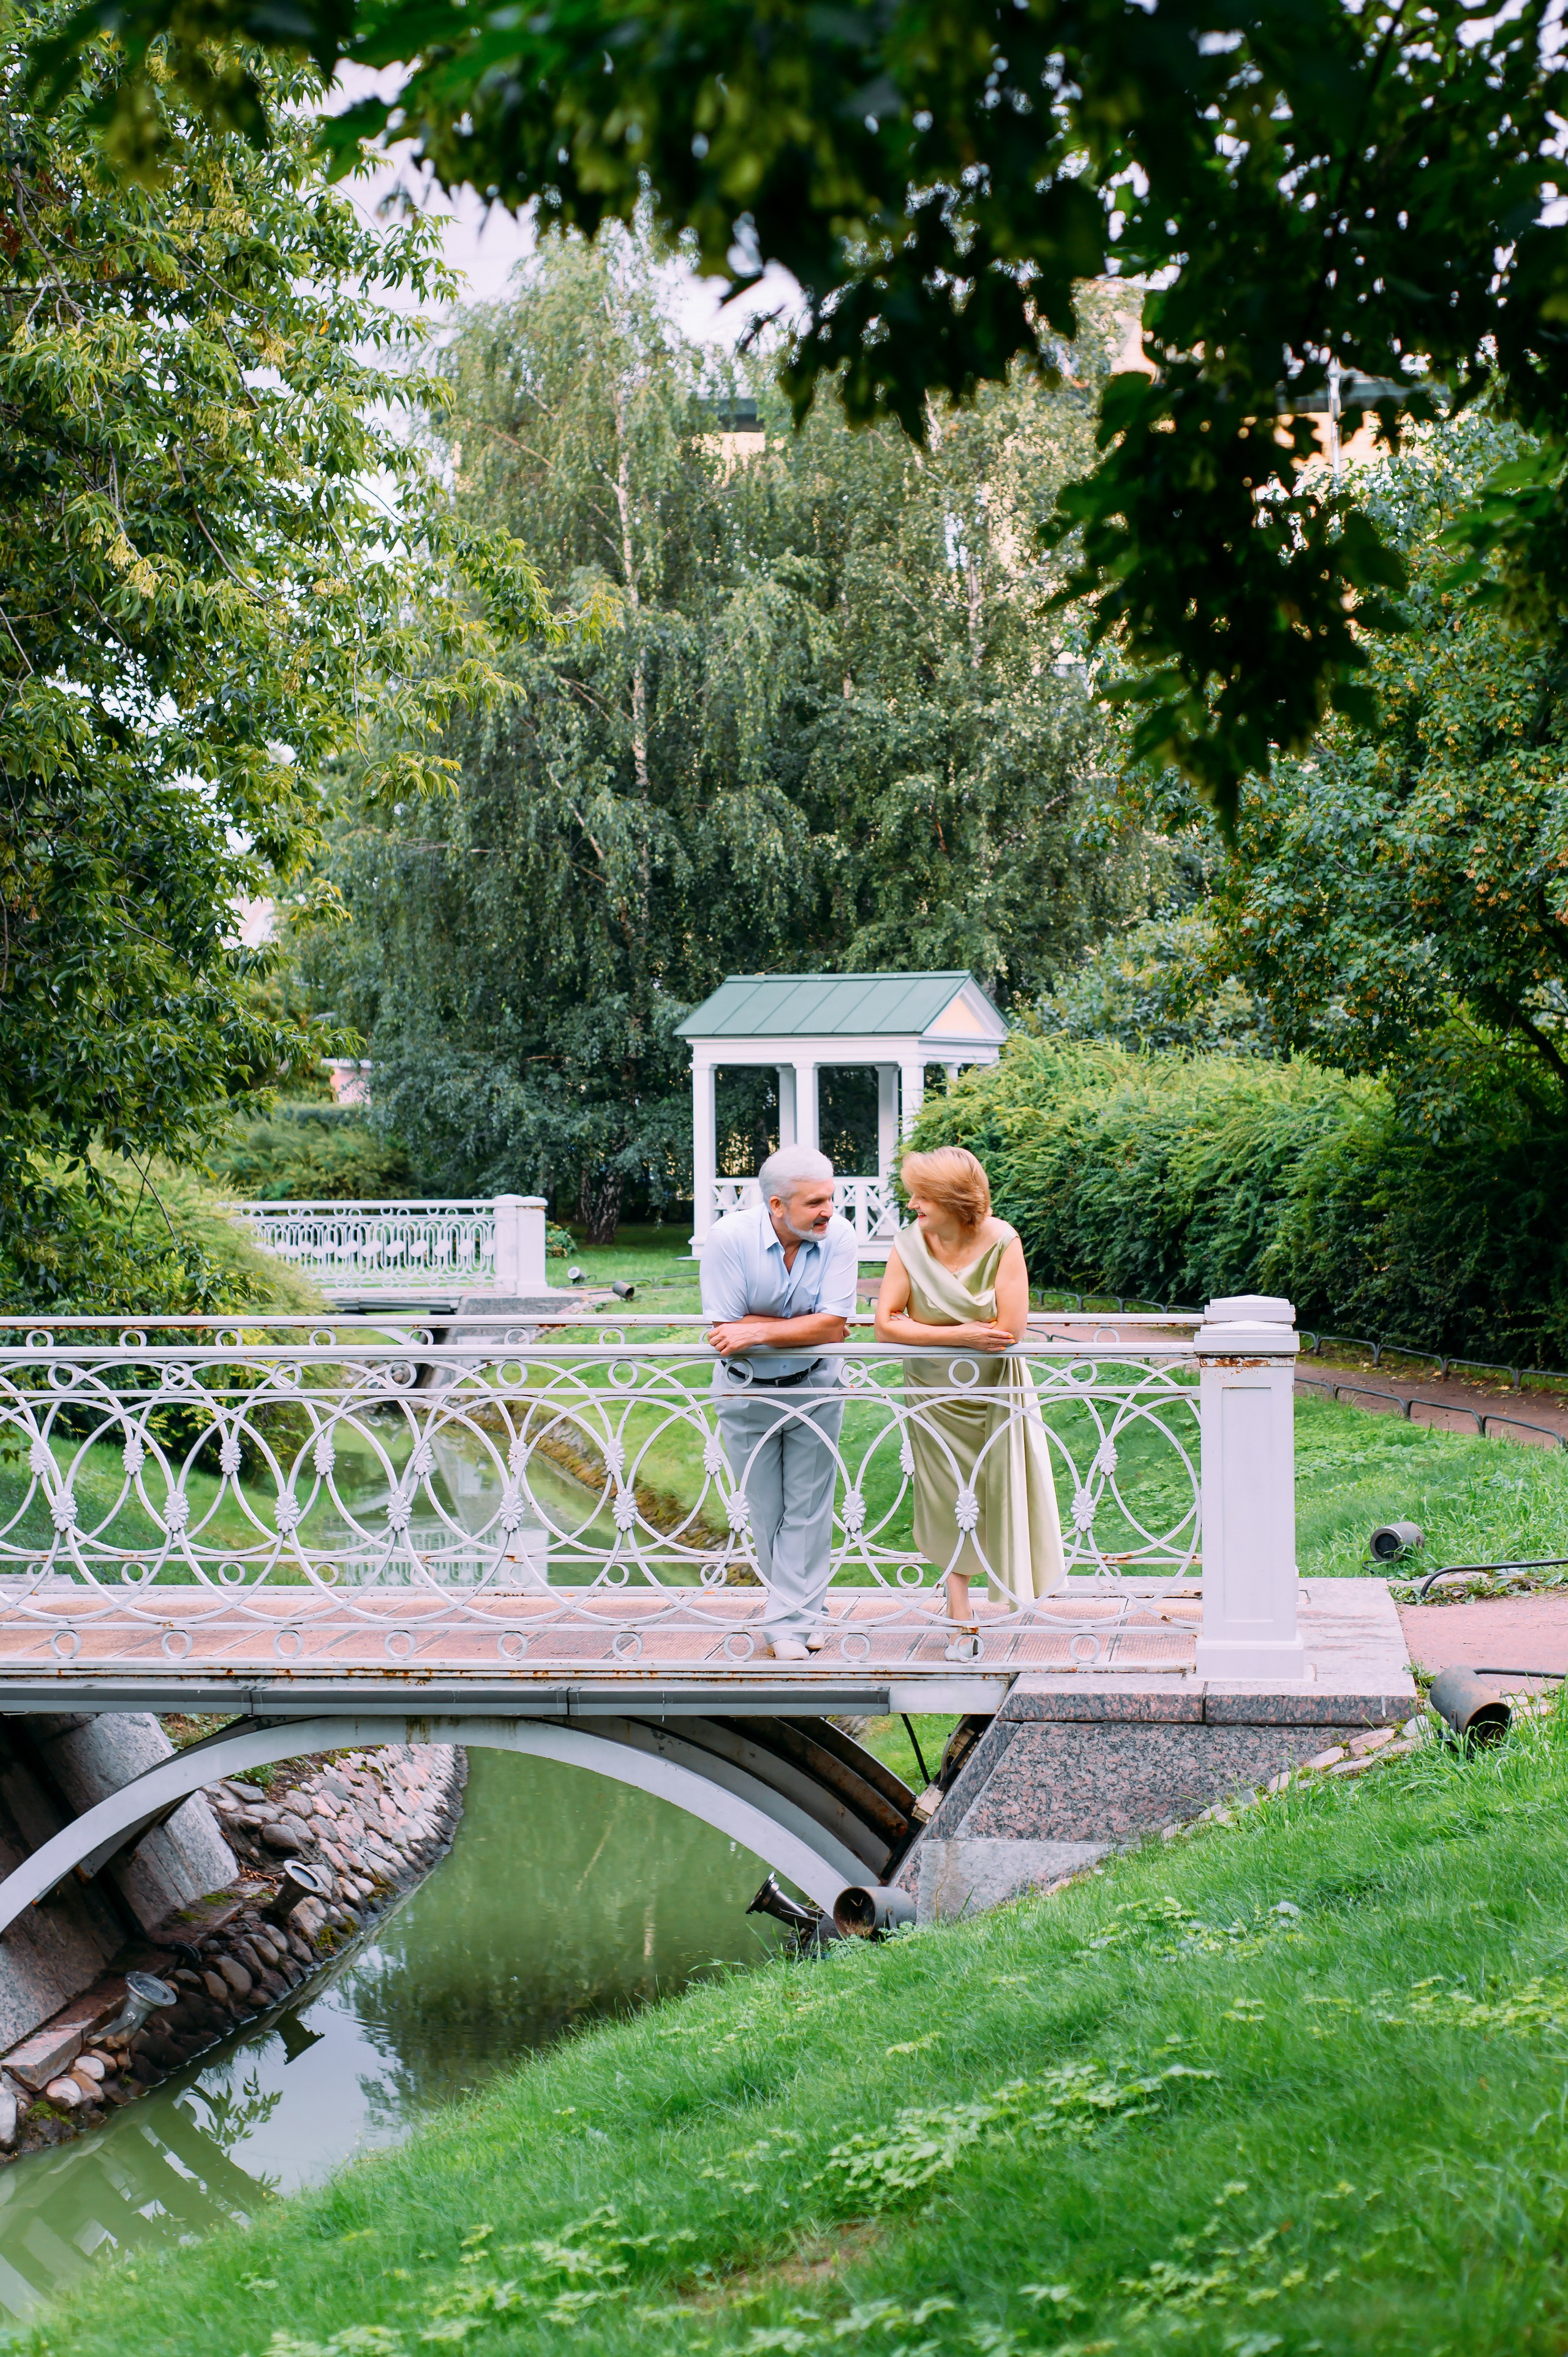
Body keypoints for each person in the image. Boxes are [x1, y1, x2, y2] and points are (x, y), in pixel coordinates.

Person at [874, 1145, 1065, 1622]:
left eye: (923, 1197)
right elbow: (884, 1324)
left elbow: (1010, 1330)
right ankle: (959, 1608)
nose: (913, 1205)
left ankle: (1010, 1583)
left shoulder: (1003, 1240)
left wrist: (928, 1328)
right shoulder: (908, 1243)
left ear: (955, 1201)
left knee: (997, 1485)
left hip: (995, 1390)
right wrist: (960, 1334)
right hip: (932, 1392)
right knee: (944, 1494)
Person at [701, 1146, 859, 1660]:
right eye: (815, 1201)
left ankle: (789, 1626)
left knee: (810, 1508)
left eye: (830, 1198)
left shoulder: (840, 1236)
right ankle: (804, 1612)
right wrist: (786, 1329)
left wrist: (760, 1329)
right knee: (768, 1510)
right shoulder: (728, 1239)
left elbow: (833, 1326)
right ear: (776, 1206)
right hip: (745, 1390)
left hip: (816, 1385)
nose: (828, 1210)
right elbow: (727, 1331)